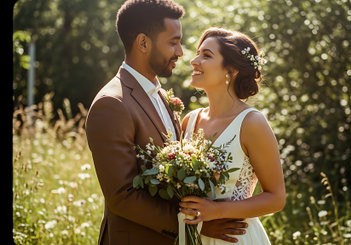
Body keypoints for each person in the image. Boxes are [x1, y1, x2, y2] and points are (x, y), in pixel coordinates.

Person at [85, 1, 247, 244]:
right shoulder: (112, 104)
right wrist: (195, 225)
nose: (181, 52)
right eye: (173, 42)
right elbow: (122, 196)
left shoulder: (161, 95)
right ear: (143, 43)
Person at [179, 27, 286, 244]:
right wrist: (201, 223)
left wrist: (216, 211)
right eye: (197, 53)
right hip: (194, 235)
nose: (194, 60)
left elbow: (276, 198)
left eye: (206, 55)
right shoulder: (189, 121)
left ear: (232, 70)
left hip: (235, 237)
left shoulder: (252, 123)